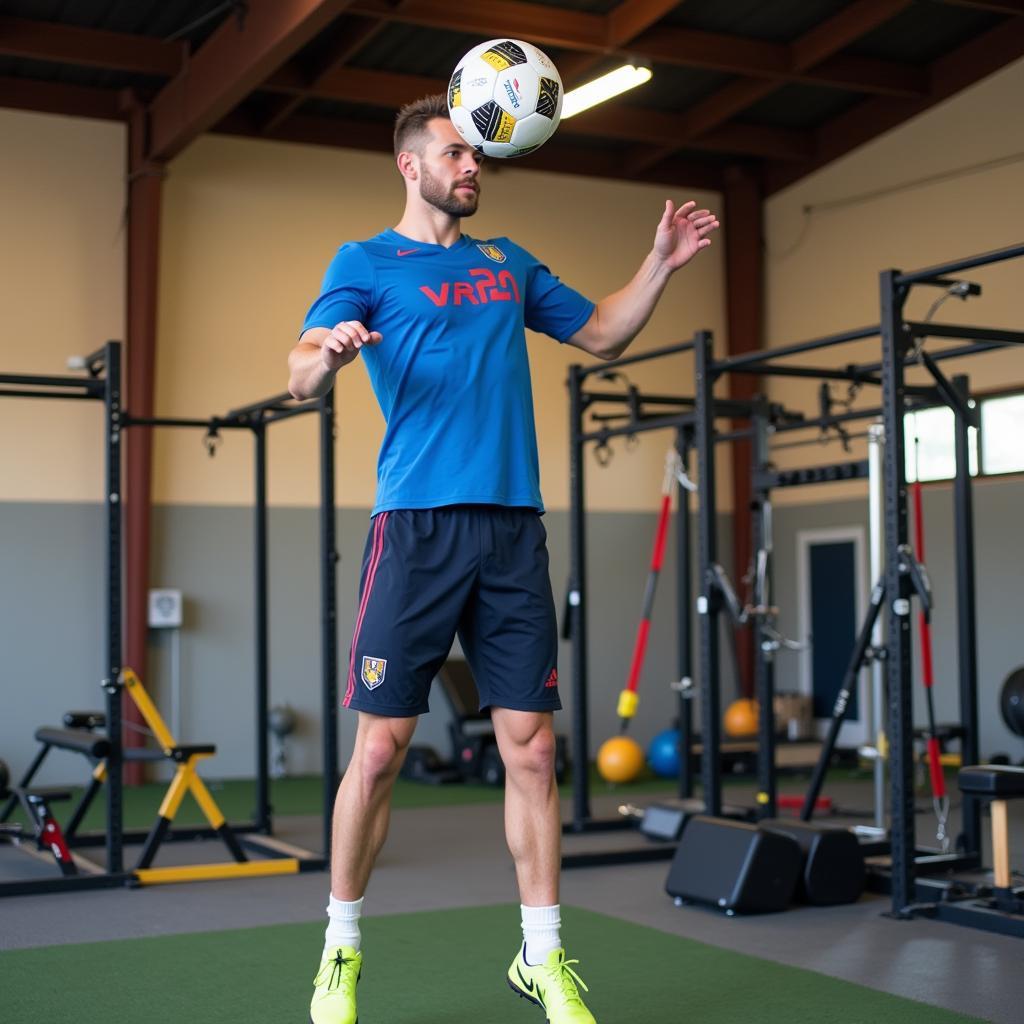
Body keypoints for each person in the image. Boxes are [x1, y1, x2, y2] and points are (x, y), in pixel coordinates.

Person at [288, 93, 719, 1024]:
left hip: (513, 531)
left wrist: (660, 262)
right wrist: (330, 348)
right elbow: (298, 369)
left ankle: (543, 956)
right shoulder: (365, 263)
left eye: (477, 156)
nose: (472, 167)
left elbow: (602, 334)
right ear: (411, 165)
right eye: (455, 153)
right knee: (380, 747)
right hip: (415, 528)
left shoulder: (506, 265)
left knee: (532, 750)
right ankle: (340, 947)